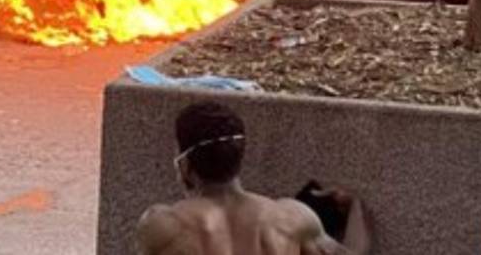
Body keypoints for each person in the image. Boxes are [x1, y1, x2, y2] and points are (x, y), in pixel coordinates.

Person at [137, 101, 369, 255]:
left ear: (185, 164)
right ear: (239, 157)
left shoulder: (163, 225)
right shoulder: (291, 219)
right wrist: (355, 206)